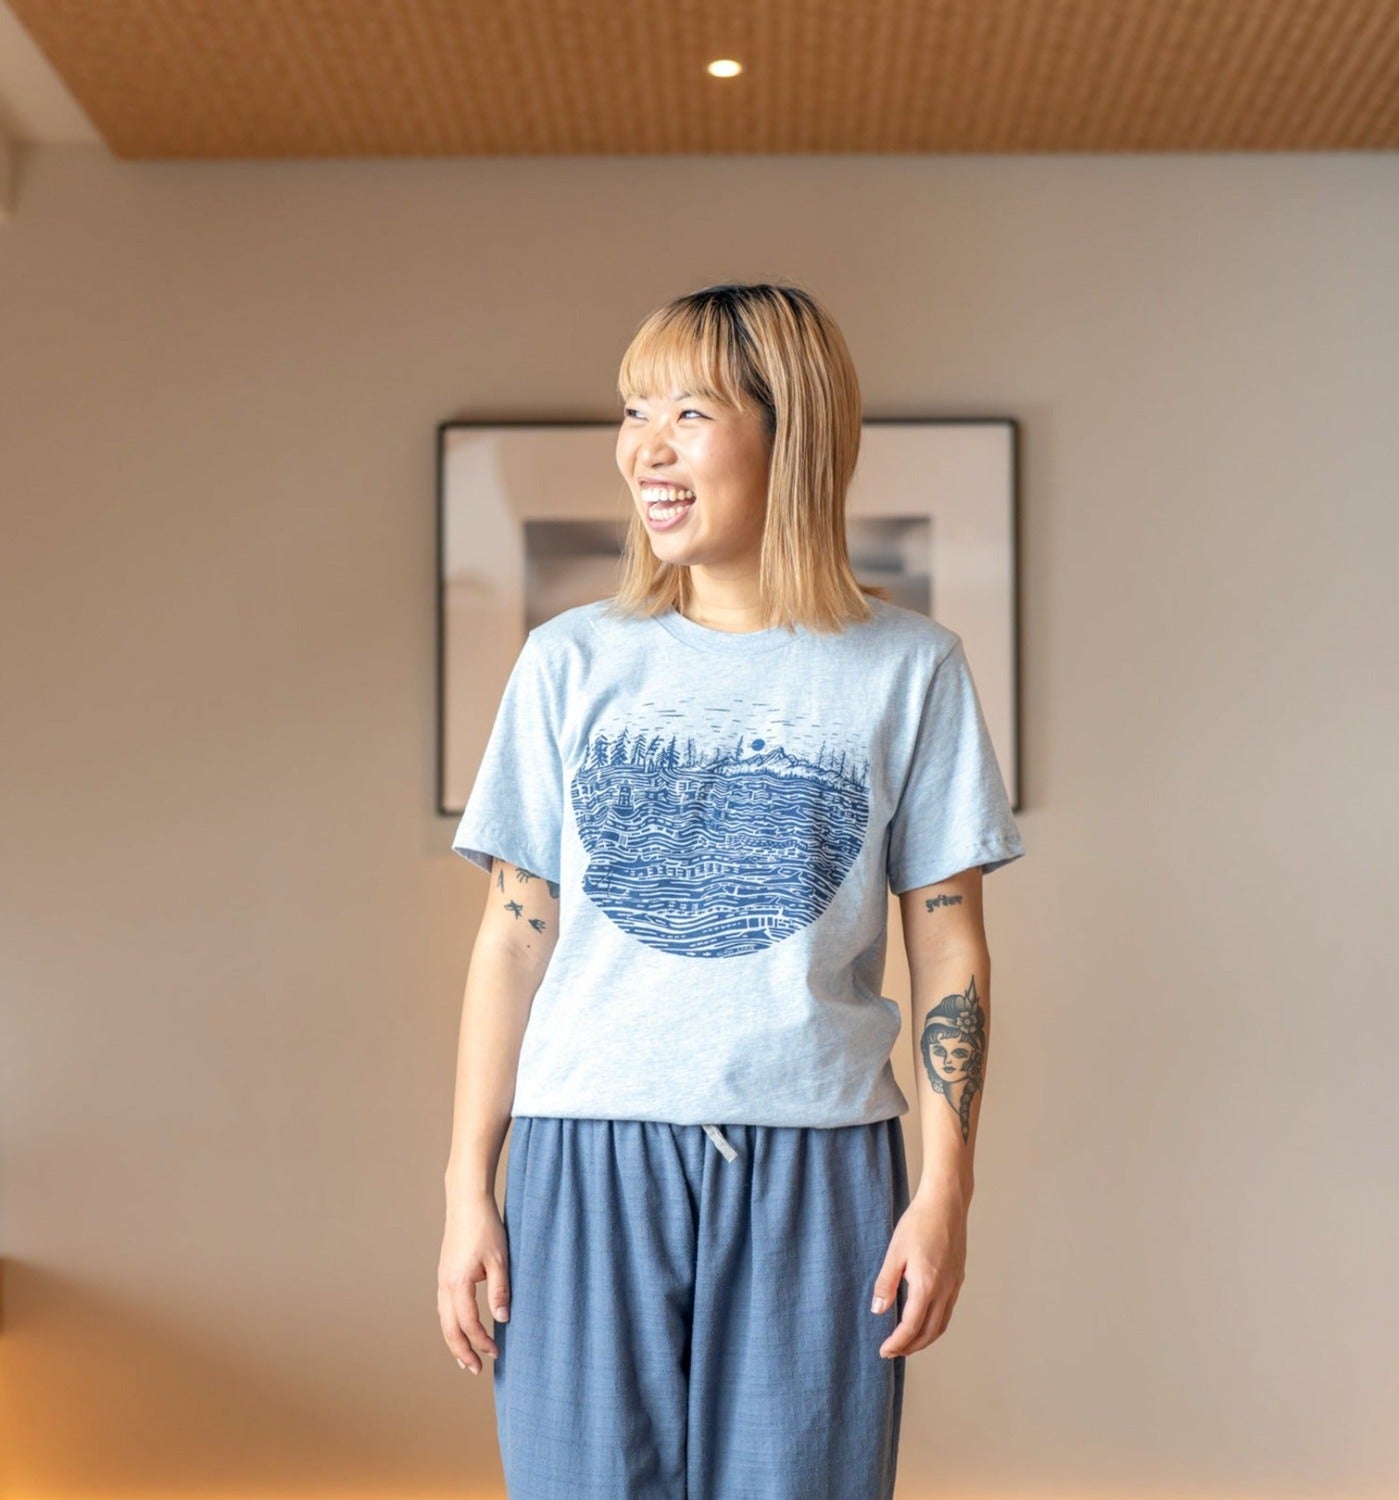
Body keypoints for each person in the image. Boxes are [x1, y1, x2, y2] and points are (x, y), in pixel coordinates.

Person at [439, 281, 1025, 1499]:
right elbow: (511, 942)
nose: (644, 448)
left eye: (688, 412)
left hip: (821, 1165)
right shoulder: (567, 665)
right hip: (584, 1153)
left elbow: (952, 953)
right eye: (631, 410)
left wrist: (944, 1193)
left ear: (789, 432)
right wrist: (465, 1193)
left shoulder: (911, 671)